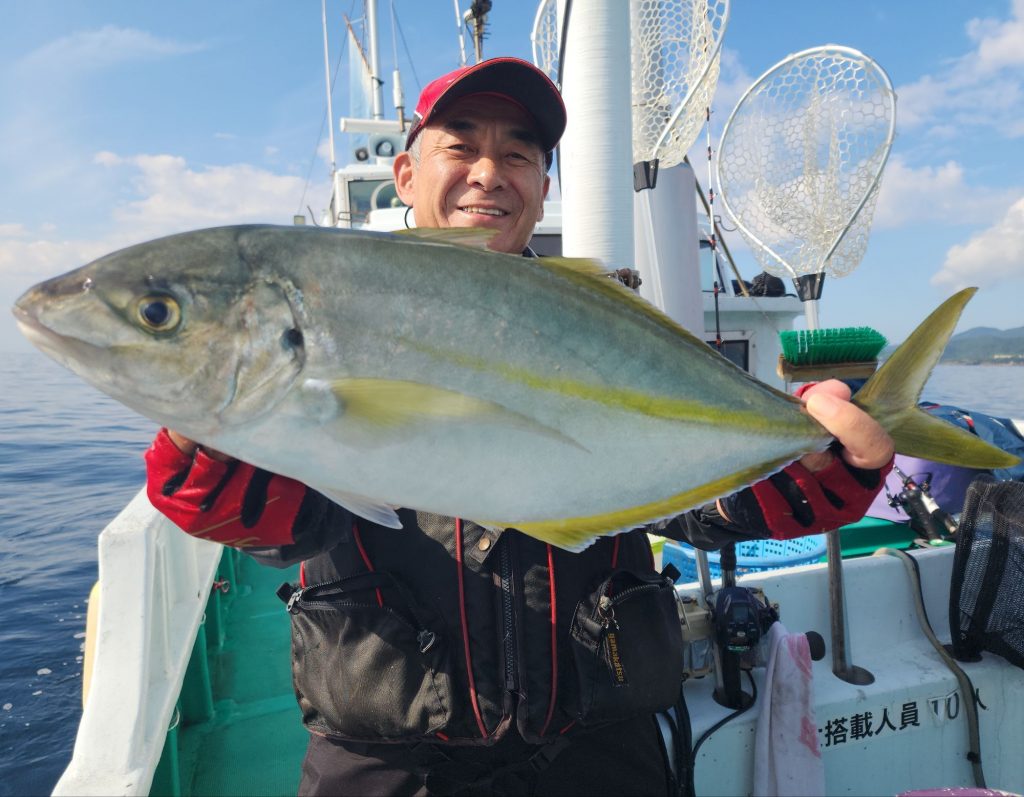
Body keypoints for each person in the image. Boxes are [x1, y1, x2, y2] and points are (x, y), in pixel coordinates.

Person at [145, 57, 894, 796]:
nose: (487, 172)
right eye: (460, 145)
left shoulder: (603, 324)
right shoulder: (338, 312)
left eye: (517, 153)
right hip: (392, 764)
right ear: (406, 174)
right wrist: (216, 475)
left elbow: (688, 499)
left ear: (541, 187)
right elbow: (297, 525)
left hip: (596, 754)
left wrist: (804, 480)